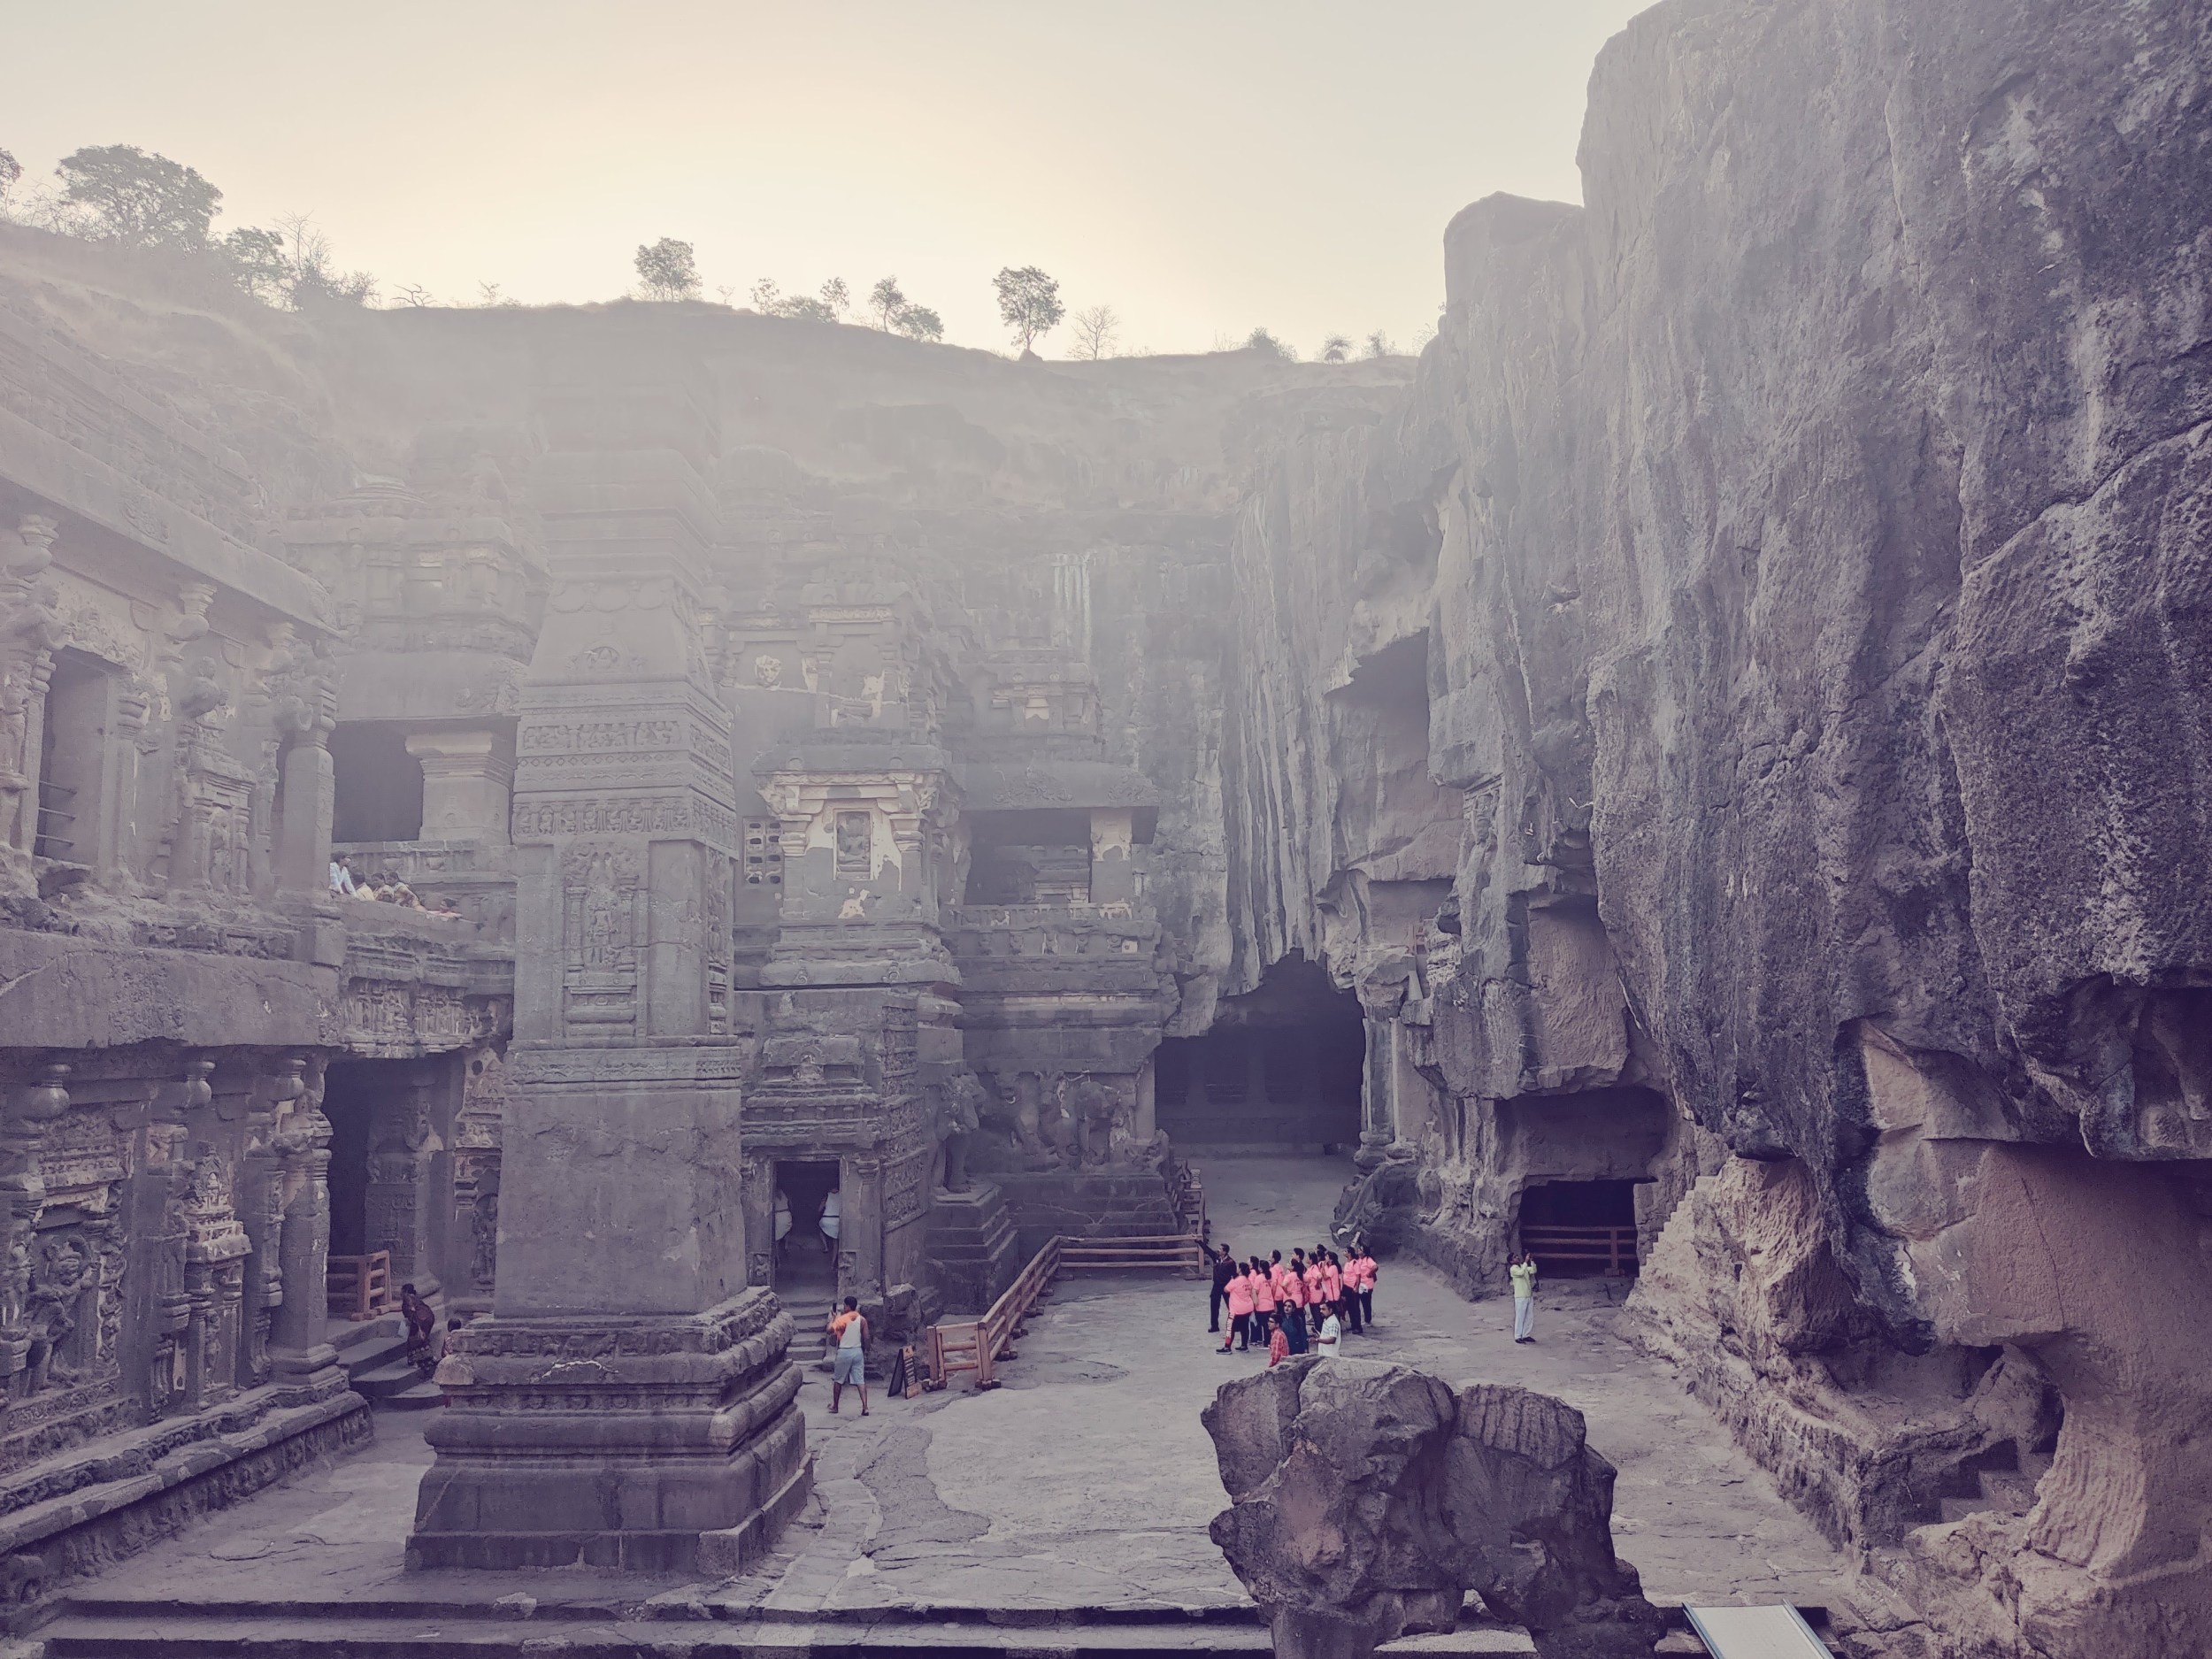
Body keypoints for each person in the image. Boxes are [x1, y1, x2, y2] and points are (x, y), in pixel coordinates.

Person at [827, 1295, 870, 1416]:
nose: (843, 1307)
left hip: (844, 1352)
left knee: (838, 1380)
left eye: (845, 1305)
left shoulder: (842, 1319)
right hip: (857, 1351)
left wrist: (833, 1318)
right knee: (860, 1380)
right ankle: (865, 1407)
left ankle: (835, 1406)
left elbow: (829, 1330)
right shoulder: (862, 1320)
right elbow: (866, 1337)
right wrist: (867, 1350)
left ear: (848, 1307)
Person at [399, 1282, 437, 1371]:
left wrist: (417, 1325)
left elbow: (411, 1310)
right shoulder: (416, 1298)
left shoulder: (407, 1298)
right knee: (423, 1338)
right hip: (429, 1317)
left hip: (419, 1319)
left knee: (413, 1340)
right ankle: (428, 1357)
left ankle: (414, 1360)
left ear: (405, 1292)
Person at [1220, 1257, 1255, 1353]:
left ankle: (1227, 1347)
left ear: (1240, 1270)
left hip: (1236, 1309)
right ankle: (1244, 1346)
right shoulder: (1248, 1280)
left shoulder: (1235, 1280)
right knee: (1244, 1327)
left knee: (1230, 1327)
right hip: (1247, 1307)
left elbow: (1226, 1290)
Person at [1509, 1250, 1539, 1343]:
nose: (1517, 1258)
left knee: (1529, 1316)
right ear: (1511, 1261)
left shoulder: (1523, 1266)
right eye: (1514, 1257)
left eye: (1517, 1256)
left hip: (1528, 1295)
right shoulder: (1513, 1269)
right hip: (1520, 1296)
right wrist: (1526, 1261)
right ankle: (1518, 1336)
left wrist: (1532, 1261)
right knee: (1520, 1316)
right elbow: (1521, 1273)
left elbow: (1533, 1270)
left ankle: (1526, 1334)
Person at [1247, 1255, 1277, 1346]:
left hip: (1261, 1306)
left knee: (1262, 1325)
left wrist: (1255, 1303)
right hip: (1270, 1304)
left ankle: (1265, 1343)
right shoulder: (1270, 1277)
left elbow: (1255, 1291)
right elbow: (1273, 1290)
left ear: (1261, 1268)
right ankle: (1269, 1341)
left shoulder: (1259, 1278)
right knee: (1269, 1325)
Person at [1209, 1244, 1237, 1334]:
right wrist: (1199, 1241)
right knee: (1214, 1305)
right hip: (1216, 1285)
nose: (1218, 1250)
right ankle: (1214, 1326)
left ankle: (1236, 1325)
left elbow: (1234, 1276)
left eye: (1220, 1249)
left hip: (1226, 1286)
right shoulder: (1216, 1258)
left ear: (1224, 1252)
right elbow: (1208, 1250)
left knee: (1231, 1306)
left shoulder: (1231, 1262)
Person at [819, 1187, 841, 1257]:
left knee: (821, 1230)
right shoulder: (842, 1195)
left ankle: (826, 1247)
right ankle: (834, 1259)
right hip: (837, 1220)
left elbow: (820, 1209)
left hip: (826, 1220)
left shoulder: (827, 1196)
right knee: (835, 1241)